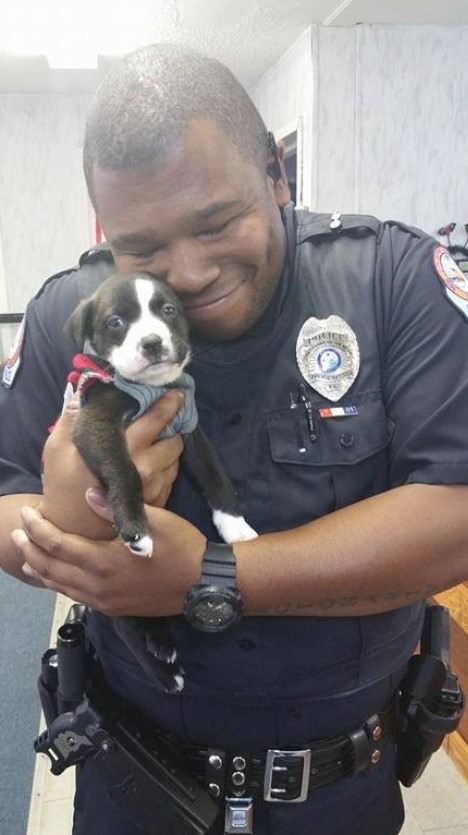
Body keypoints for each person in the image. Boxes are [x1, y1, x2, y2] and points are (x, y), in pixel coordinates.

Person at [1, 43, 468, 835]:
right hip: (133, 778)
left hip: (342, 787)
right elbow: (6, 498)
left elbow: (455, 513)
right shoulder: (68, 314)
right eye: (142, 246)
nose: (183, 272)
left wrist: (210, 576)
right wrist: (61, 515)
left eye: (216, 223)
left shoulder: (393, 283)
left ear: (278, 179)